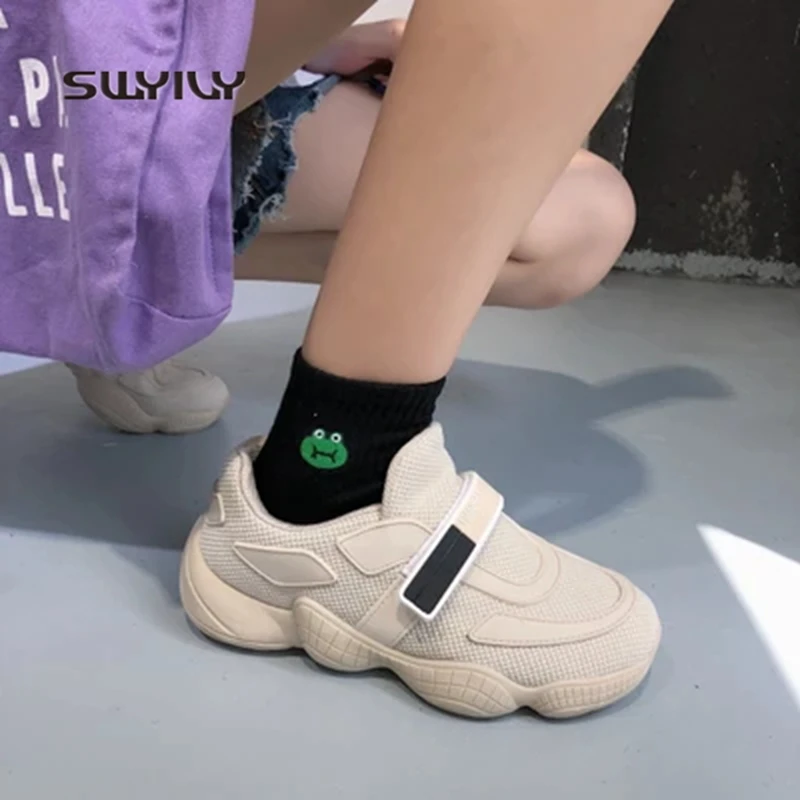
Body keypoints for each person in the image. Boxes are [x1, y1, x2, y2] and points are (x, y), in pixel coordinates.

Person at [105, 0, 676, 719]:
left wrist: (320, 39)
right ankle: (335, 488)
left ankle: (105, 293)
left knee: (581, 217)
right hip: (61, 76)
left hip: (132, 59)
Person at [67, 19, 637, 436]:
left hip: (176, 57)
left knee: (576, 227)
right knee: (580, 211)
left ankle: (114, 275)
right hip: (104, 76)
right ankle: (338, 463)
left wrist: (309, 40)